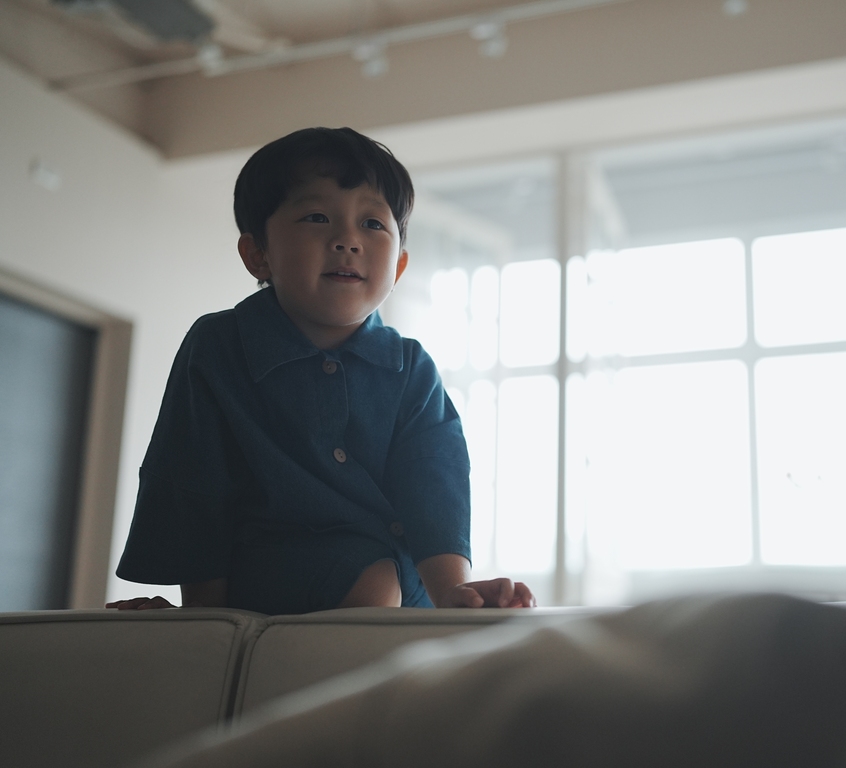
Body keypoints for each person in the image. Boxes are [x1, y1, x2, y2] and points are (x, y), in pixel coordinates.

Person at [108, 127, 534, 614]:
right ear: (258, 254)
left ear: (398, 268)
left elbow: (435, 483)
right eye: (317, 217)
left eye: (372, 224)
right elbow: (191, 480)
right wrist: (205, 619)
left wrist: (455, 593)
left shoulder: (410, 367)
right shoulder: (220, 346)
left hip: (399, 578)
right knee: (371, 581)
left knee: (381, 578)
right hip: (265, 570)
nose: (347, 240)